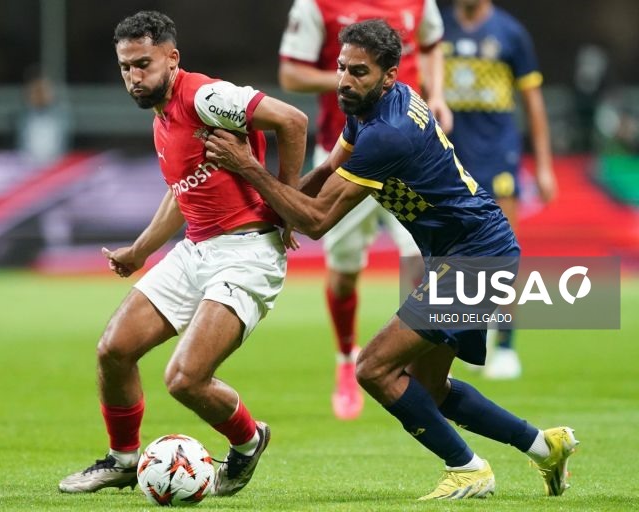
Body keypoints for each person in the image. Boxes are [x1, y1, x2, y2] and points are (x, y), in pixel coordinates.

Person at [204, 19, 577, 500]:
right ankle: (545, 446)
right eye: (341, 67)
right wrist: (280, 211)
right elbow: (328, 170)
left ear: (390, 75)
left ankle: (467, 468)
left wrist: (248, 168)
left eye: (358, 71)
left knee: (373, 368)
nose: (344, 80)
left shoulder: (389, 134)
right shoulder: (369, 108)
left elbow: (318, 221)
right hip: (467, 252)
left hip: (476, 257)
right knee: (430, 387)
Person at [58, 11, 307, 497]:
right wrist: (140, 251)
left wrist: (288, 202)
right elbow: (182, 193)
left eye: (143, 64)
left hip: (247, 255)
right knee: (114, 350)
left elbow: (292, 121)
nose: (134, 76)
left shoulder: (205, 97)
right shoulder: (163, 118)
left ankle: (249, 440)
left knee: (185, 379)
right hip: (196, 250)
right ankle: (123, 460)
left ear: (172, 58)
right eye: (126, 67)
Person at [278, 0, 452, 419]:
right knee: (343, 275)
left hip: (406, 153)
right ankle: (345, 358)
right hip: (346, 148)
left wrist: (438, 95)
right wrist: (356, 75)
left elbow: (432, 45)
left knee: (423, 263)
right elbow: (291, 75)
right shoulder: (317, 5)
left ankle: (415, 361)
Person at [441, 0, 557, 379]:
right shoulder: (438, 28)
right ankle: (454, 340)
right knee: (450, 255)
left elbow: (533, 103)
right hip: (448, 158)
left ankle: (505, 345)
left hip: (497, 157)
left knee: (502, 253)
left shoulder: (510, 33)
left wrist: (543, 165)